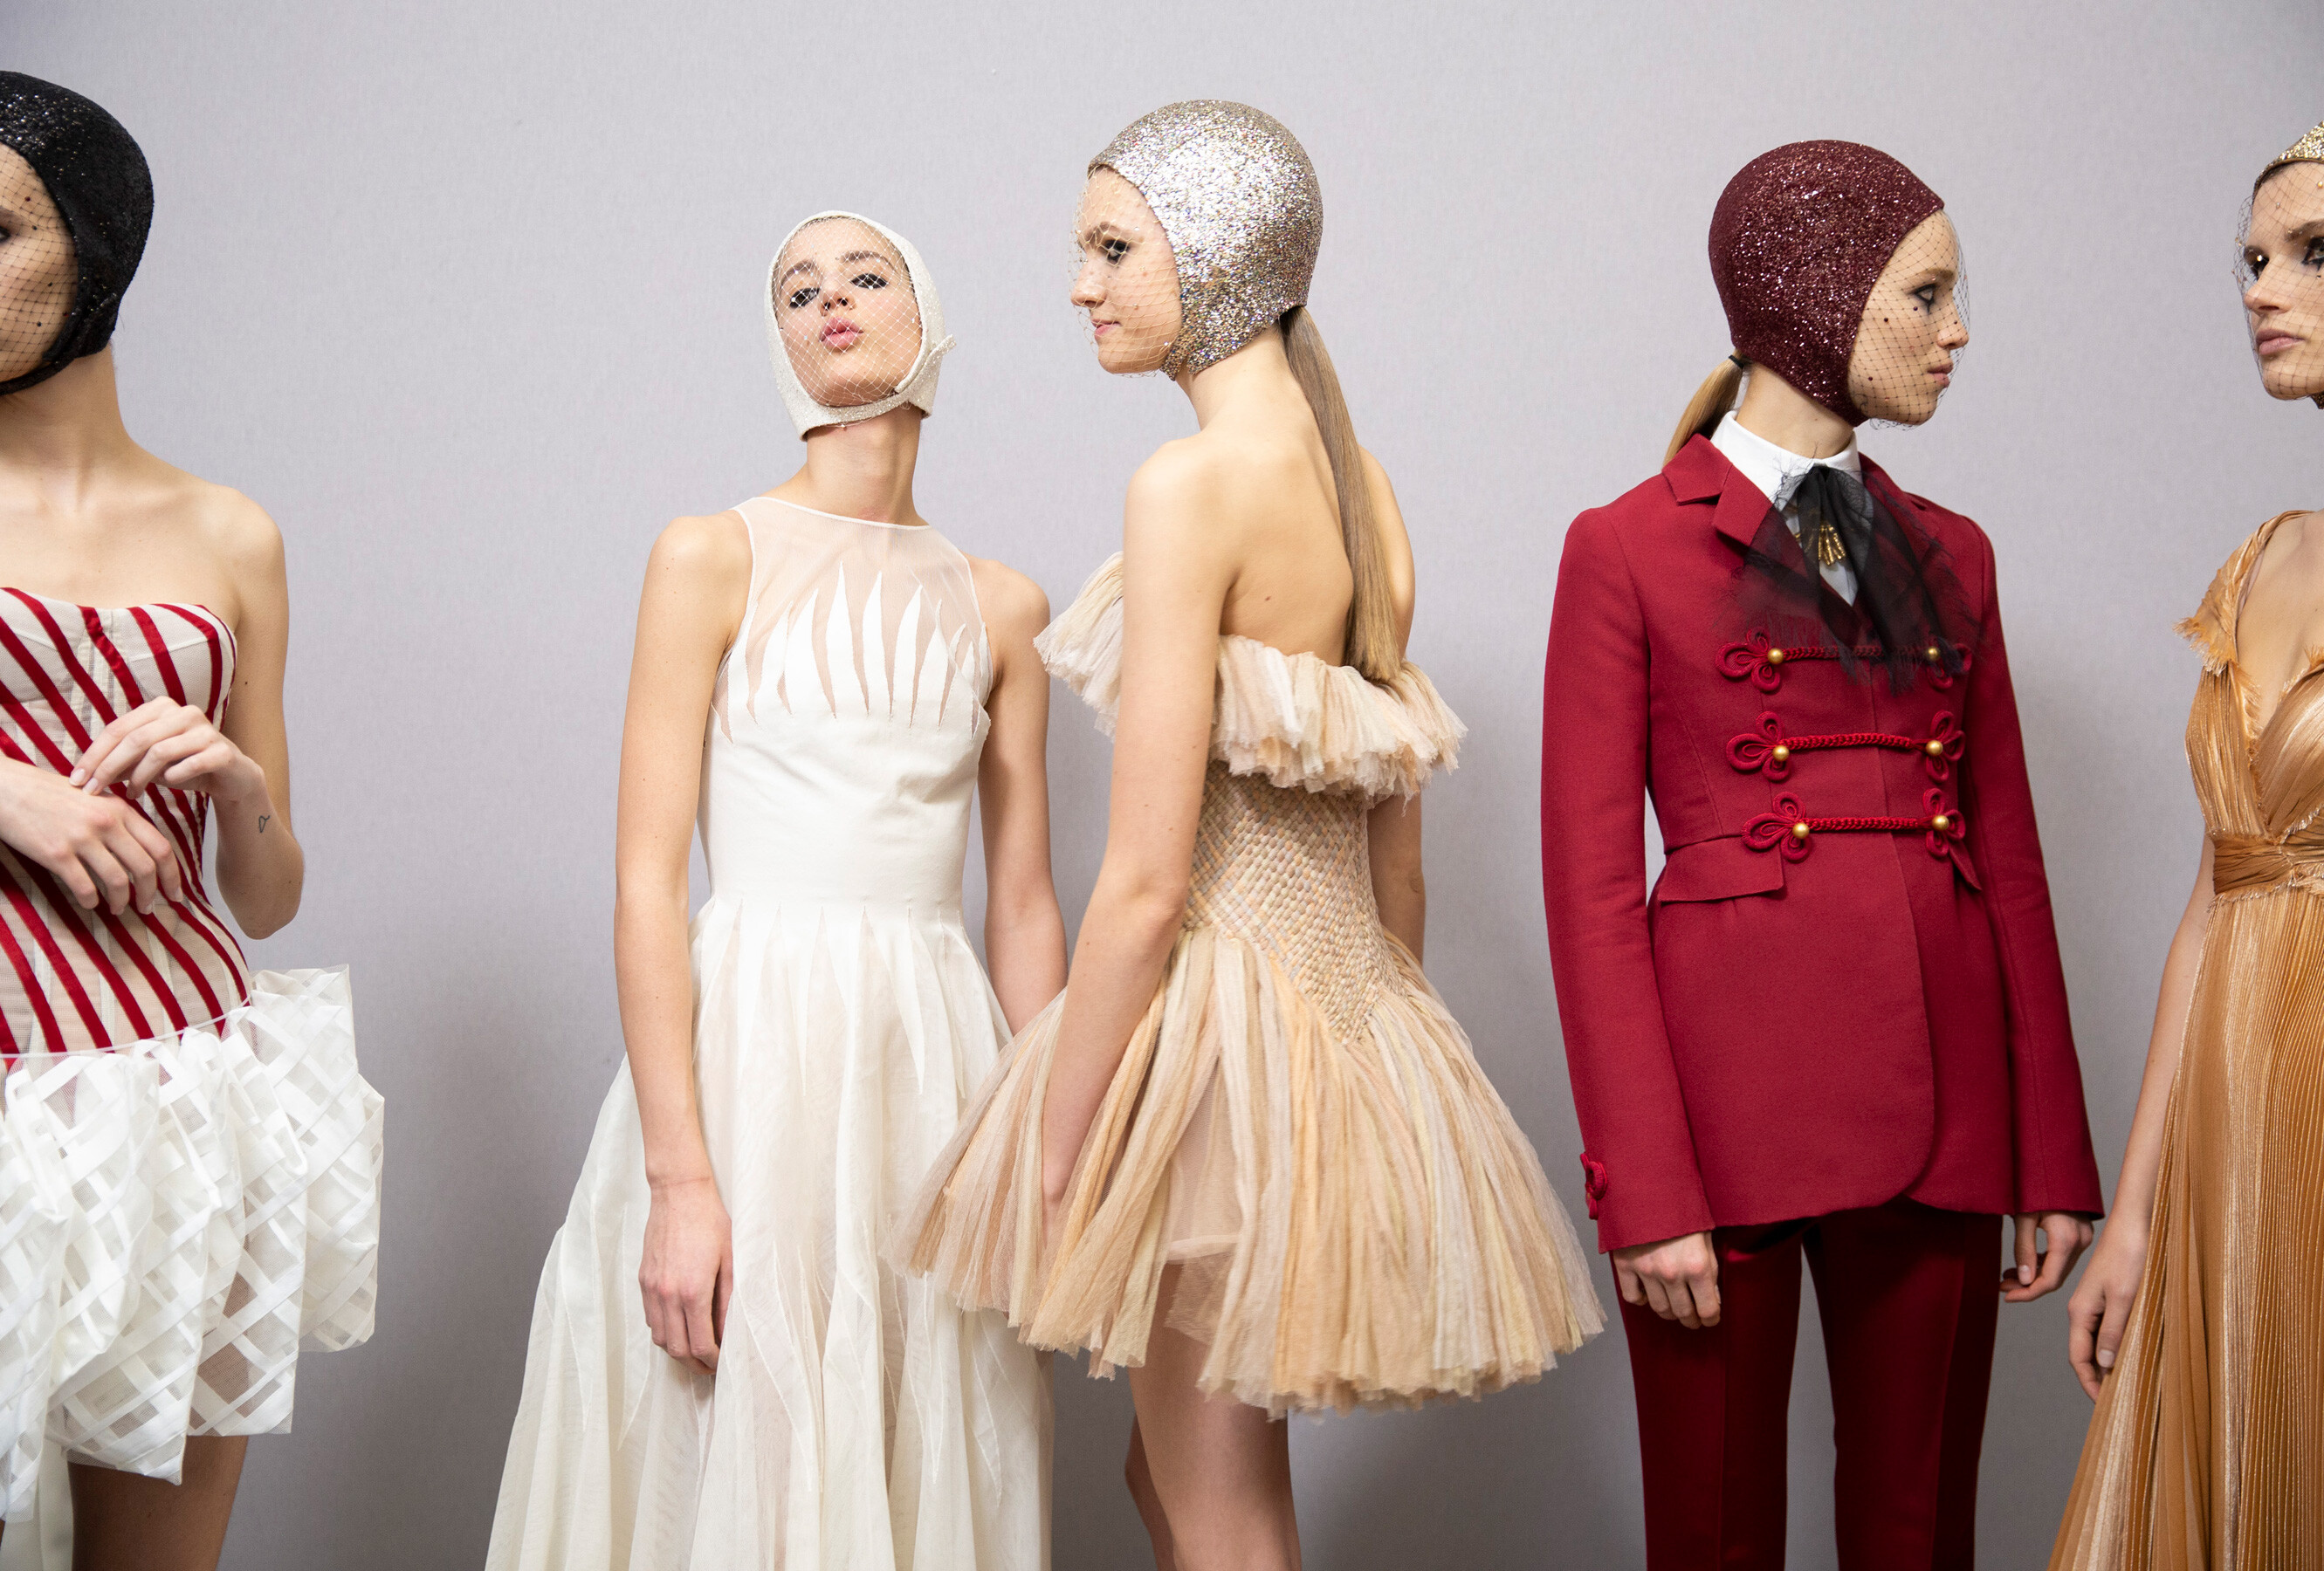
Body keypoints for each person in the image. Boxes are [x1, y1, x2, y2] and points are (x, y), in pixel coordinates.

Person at [899, 101, 1602, 1571]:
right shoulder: (1362, 486)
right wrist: (1368, 1086)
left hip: (1207, 1041)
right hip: (1336, 1019)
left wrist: (1064, 1141)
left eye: (1113, 249)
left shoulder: (1189, 486)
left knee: (1216, 1510)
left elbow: (1147, 884)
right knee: (1180, 1486)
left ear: (1217, 251)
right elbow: (1398, 853)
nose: (1080, 287)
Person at [1541, 141, 2101, 1569]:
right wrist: (1642, 1185)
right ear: (1816, 291)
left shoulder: (1954, 551)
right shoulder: (1628, 546)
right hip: (1720, 1113)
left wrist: (2051, 1152)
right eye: (1927, 294)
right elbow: (1590, 897)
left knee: (1921, 1533)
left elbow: (2011, 861)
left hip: (1949, 1101)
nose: (1958, 331)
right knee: (1712, 1533)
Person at [485, 211, 1058, 1570]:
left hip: (933, 1066)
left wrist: (1048, 1151)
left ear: (930, 316)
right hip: (748, 1061)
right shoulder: (709, 554)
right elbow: (644, 883)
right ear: (777, 338)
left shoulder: (1004, 605)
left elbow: (1025, 904)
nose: (830, 300)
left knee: (920, 1424)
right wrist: (680, 1182)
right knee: (732, 1444)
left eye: (867, 275)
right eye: (799, 289)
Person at [0, 71, 379, 1571]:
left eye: (0, 232)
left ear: (97, 247)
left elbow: (268, 897)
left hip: (184, 1089)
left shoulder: (230, 531)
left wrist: (239, 786)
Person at [2050, 105, 2324, 1569]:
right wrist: (2136, 1214)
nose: (2261, 290)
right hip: (2233, 1100)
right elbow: (2211, 897)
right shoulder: (2258, 560)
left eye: (2317, 251)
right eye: (2251, 260)